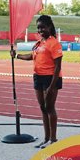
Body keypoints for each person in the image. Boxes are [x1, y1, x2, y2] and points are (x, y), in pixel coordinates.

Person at [11, 15, 62, 149]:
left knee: (50, 107)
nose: (40, 30)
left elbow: (58, 66)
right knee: (43, 108)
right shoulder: (39, 43)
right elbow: (31, 56)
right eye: (38, 28)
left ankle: (53, 139)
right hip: (38, 77)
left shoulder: (54, 43)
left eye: (43, 27)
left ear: (49, 27)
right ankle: (46, 138)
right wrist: (16, 55)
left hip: (50, 78)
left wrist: (52, 86)